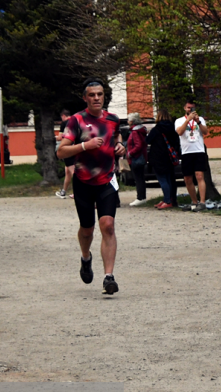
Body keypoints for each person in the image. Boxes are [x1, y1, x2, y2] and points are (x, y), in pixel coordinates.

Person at [56, 77, 126, 295]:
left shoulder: (113, 119)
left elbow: (117, 137)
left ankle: (109, 277)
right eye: (92, 95)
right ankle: (86, 258)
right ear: (85, 98)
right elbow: (61, 151)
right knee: (87, 229)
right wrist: (85, 145)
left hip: (107, 180)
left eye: (100, 94)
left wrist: (120, 146)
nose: (97, 98)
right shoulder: (76, 121)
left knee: (108, 225)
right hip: (84, 182)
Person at [175, 99, 209, 212]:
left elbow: (205, 132)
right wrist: (187, 120)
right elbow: (179, 132)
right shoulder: (179, 121)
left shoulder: (201, 119)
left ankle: (202, 202)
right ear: (185, 108)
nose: (190, 110)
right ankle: (194, 202)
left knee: (199, 176)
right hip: (186, 152)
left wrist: (198, 122)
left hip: (199, 151)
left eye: (192, 108)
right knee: (187, 178)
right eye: (189, 108)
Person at [148, 108, 181, 209]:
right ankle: (170, 199)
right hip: (170, 157)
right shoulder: (173, 129)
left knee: (162, 180)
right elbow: (176, 142)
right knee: (169, 179)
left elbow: (147, 140)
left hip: (158, 157)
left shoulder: (156, 129)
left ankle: (167, 200)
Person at [126, 112, 148, 206]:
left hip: (136, 158)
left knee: (138, 178)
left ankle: (140, 197)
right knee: (140, 178)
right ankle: (142, 197)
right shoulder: (140, 130)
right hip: (141, 157)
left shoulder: (135, 132)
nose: (127, 121)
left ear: (132, 121)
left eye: (128, 120)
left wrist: (130, 153)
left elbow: (138, 145)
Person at [55, 109, 74, 199]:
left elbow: (60, 138)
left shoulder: (64, 123)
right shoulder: (75, 121)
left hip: (67, 148)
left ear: (63, 116)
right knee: (68, 171)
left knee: (73, 171)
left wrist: (53, 137)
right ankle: (63, 191)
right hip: (77, 147)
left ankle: (80, 191)